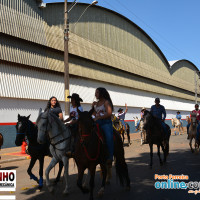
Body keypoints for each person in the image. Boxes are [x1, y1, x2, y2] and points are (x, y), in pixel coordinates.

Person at [91, 87, 114, 166]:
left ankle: (110, 157)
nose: (95, 94)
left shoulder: (106, 102)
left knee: (109, 138)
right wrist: (93, 117)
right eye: (95, 92)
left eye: (97, 92)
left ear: (101, 93)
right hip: (97, 122)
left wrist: (99, 117)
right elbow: (94, 114)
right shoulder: (96, 104)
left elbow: (109, 113)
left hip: (105, 123)